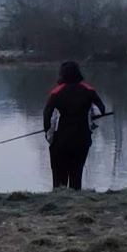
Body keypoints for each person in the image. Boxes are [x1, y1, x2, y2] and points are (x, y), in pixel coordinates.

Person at [42, 61, 109, 190]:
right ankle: (75, 203)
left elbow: (47, 115)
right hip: (82, 139)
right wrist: (89, 116)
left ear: (62, 74)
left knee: (59, 177)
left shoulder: (56, 92)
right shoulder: (89, 90)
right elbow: (101, 110)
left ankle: (57, 202)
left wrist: (47, 133)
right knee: (76, 174)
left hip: (60, 140)